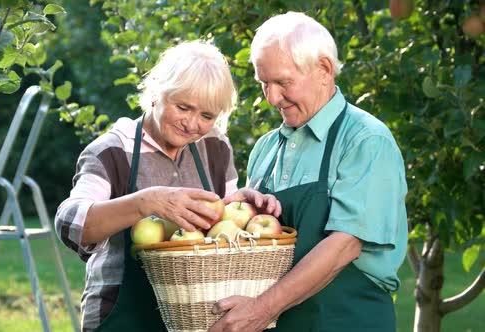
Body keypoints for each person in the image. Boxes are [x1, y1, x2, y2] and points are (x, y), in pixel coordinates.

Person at [54, 40, 280, 332]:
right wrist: (146, 202)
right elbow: (70, 223)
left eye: (207, 116)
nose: (192, 124)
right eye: (183, 107)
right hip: (123, 317)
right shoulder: (113, 150)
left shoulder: (214, 146)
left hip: (198, 316)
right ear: (157, 92)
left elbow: (219, 230)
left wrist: (240, 203)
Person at [209, 12, 408, 332]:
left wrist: (261, 309)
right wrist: (236, 209)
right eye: (264, 84)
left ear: (324, 70)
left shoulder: (365, 140)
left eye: (283, 82)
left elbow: (345, 245)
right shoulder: (266, 148)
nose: (272, 98)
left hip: (347, 321)